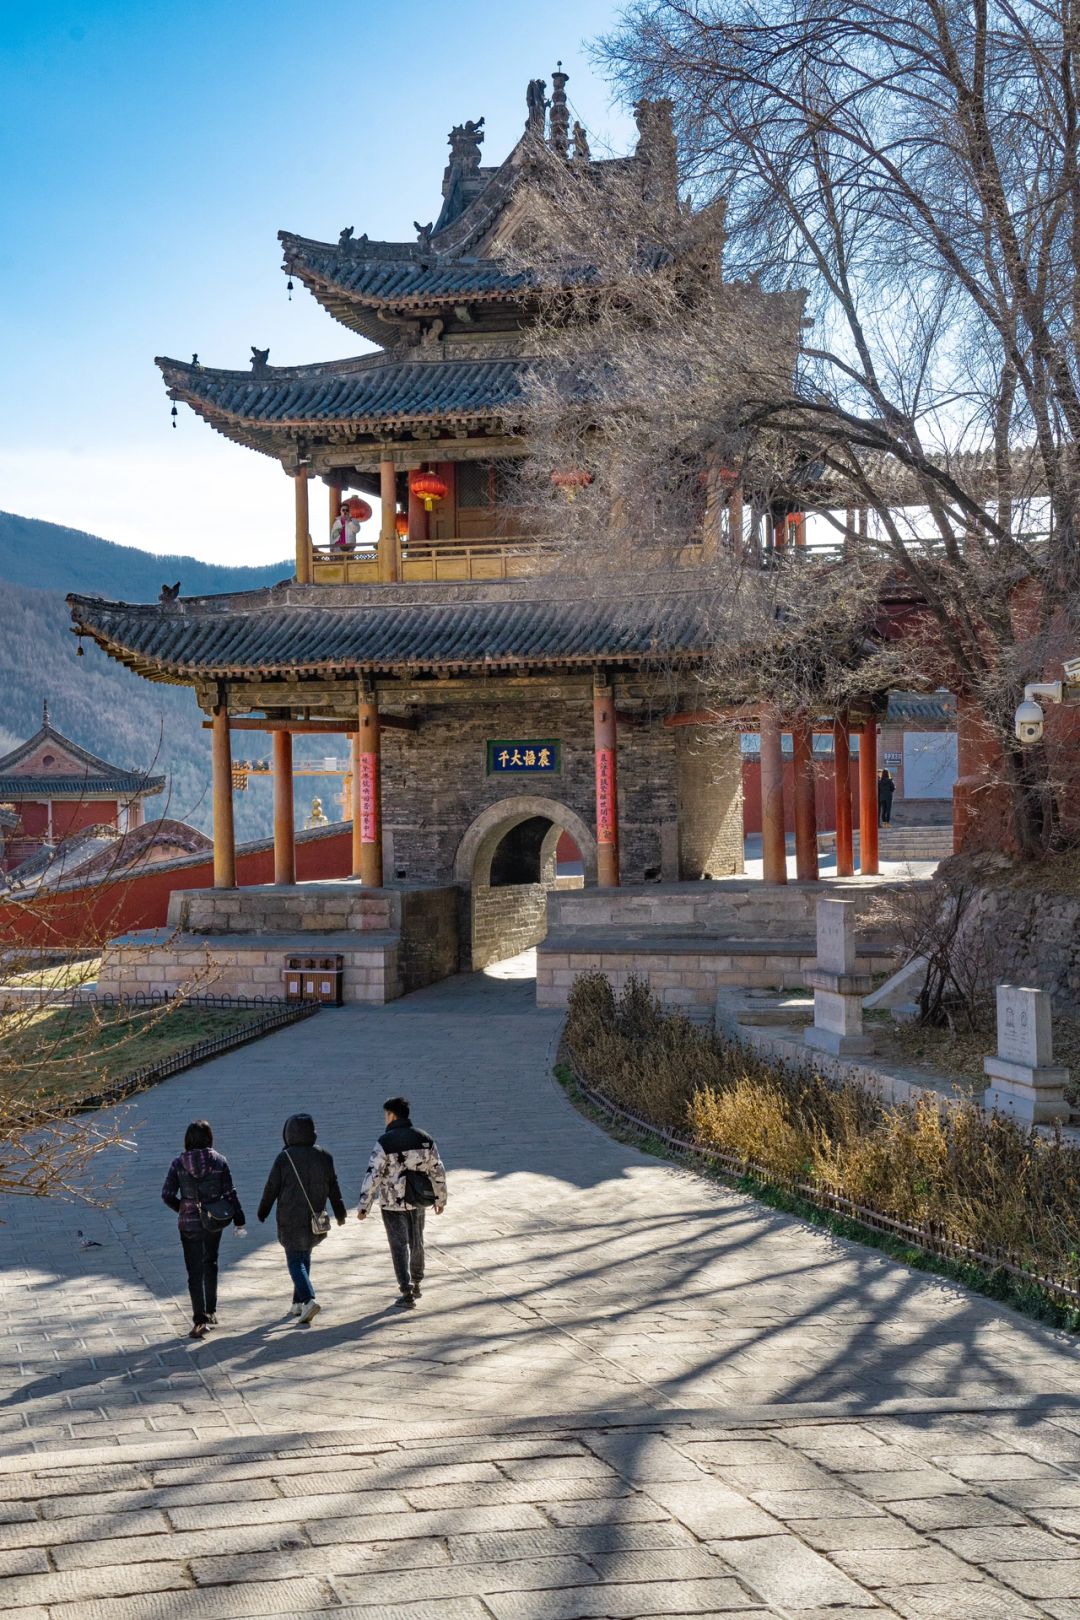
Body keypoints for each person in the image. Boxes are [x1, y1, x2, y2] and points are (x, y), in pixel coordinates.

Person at [356, 1096, 447, 1308]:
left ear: (391, 1115)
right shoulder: (424, 1138)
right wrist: (440, 1198)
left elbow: (373, 1175)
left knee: (398, 1245)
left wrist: (364, 1206)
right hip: (418, 1200)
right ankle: (417, 1282)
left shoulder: (385, 1142)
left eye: (385, 1115)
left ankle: (405, 1290)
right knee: (417, 1241)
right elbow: (437, 1169)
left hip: (392, 1203)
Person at [257, 1113, 347, 1325]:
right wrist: (340, 1212)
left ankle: (308, 1299)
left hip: (290, 1219)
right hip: (315, 1218)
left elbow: (271, 1187)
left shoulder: (284, 1158)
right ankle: (297, 1303)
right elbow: (334, 1187)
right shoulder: (324, 1156)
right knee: (304, 1255)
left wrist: (263, 1211)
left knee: (295, 1260)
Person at [161, 1120, 246, 1340]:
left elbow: (167, 1194)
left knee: (194, 1271)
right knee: (211, 1262)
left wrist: (183, 1208)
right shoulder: (219, 1160)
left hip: (188, 1223)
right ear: (209, 1138)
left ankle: (199, 1320)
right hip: (212, 1221)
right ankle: (211, 1311)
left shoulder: (178, 1163)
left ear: (187, 1140)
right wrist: (239, 1216)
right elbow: (229, 1192)